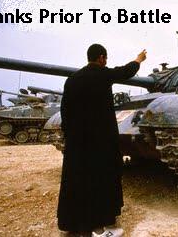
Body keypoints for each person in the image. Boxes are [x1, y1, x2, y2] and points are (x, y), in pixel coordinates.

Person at [57, 44, 147, 237]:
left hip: (77, 142)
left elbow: (65, 110)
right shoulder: (102, 74)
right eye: (105, 59)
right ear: (101, 58)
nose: (106, 62)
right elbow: (126, 71)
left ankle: (74, 222)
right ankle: (101, 219)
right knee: (102, 177)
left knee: (77, 179)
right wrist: (139, 59)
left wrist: (70, 136)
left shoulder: (71, 80)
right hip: (101, 141)